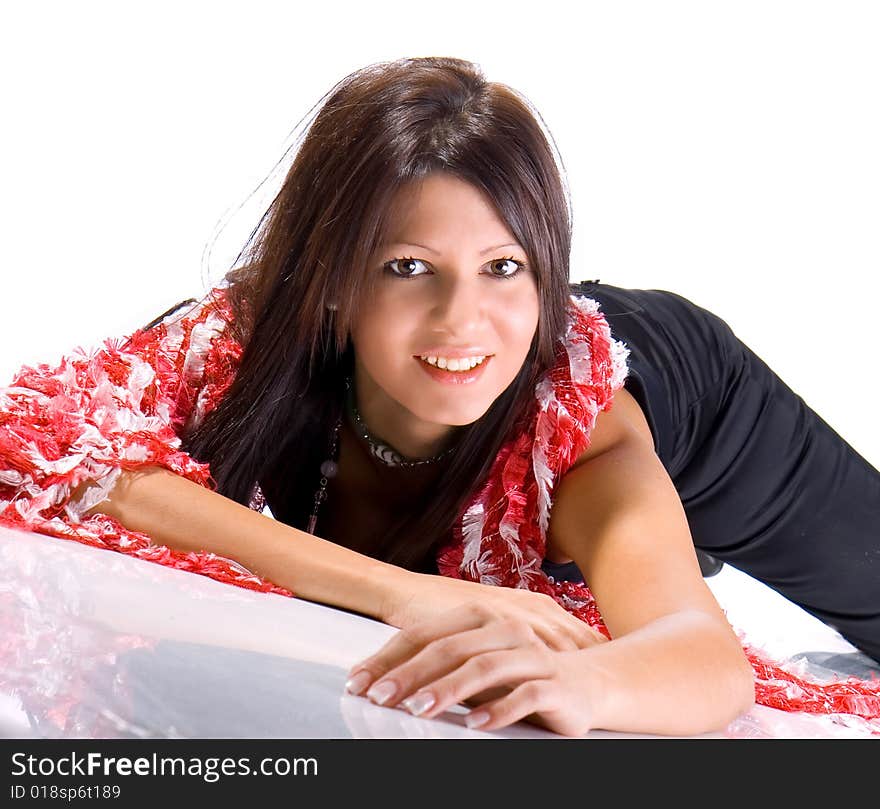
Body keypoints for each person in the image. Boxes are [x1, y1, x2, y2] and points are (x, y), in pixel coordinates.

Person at [1, 56, 878, 738]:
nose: (462, 320)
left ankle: (654, 545)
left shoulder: (579, 427)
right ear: (336, 279)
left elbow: (703, 658)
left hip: (701, 417)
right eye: (408, 267)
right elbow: (46, 452)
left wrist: (587, 679)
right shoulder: (241, 343)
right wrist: (400, 594)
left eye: (505, 266)